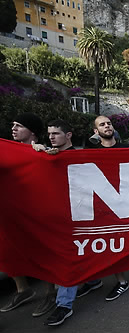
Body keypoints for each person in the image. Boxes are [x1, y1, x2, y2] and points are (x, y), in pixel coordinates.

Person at [78, 116, 129, 302]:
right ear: (95, 131)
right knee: (114, 245)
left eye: (108, 123)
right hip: (108, 207)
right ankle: (122, 281)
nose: (107, 126)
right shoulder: (91, 152)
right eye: (102, 124)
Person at [31, 119, 77, 326]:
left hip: (79, 217)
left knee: (70, 259)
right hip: (56, 220)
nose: (51, 137)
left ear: (68, 136)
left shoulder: (80, 155)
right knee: (67, 259)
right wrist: (35, 149)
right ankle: (88, 284)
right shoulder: (45, 155)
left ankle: (64, 305)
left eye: (56, 133)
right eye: (49, 133)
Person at [1, 113, 44, 314]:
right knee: (8, 249)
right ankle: (22, 289)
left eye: (19, 125)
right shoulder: (7, 150)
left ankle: (52, 293)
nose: (14, 128)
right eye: (13, 125)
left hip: (37, 212)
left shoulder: (43, 151)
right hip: (12, 212)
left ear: (32, 131)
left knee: (45, 251)